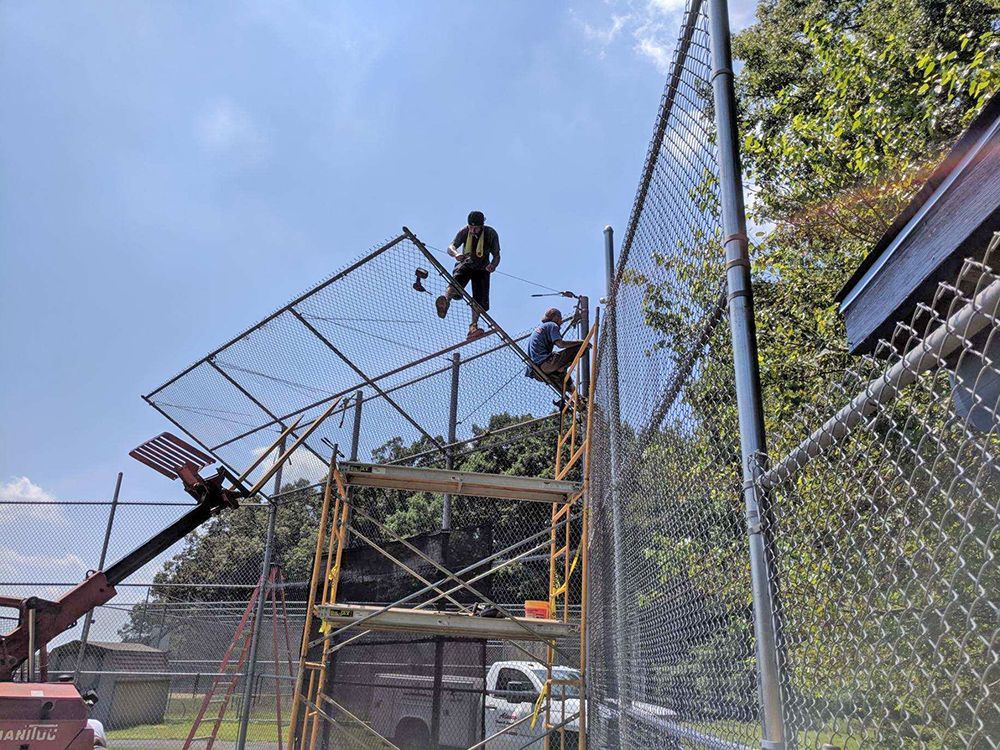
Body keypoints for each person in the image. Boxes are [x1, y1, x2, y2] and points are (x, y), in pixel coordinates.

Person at [436, 210, 500, 339]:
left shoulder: (490, 233)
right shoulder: (465, 231)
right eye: (471, 227)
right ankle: (445, 301)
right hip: (466, 263)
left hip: (482, 269)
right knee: (456, 281)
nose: (472, 230)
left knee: (479, 299)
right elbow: (451, 247)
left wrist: (492, 265)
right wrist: (456, 254)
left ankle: (473, 327)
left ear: (482, 226)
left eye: (475, 228)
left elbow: (497, 255)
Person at [525, 307, 586, 405]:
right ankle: (561, 369)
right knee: (582, 347)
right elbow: (560, 344)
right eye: (560, 319)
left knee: (565, 379)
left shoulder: (540, 329)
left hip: (537, 371)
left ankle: (578, 402)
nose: (561, 323)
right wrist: (581, 342)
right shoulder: (552, 325)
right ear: (556, 317)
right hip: (545, 363)